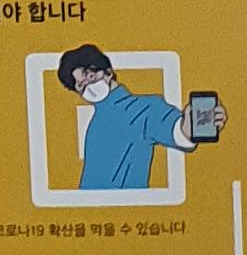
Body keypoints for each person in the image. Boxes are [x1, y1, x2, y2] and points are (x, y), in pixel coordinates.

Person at [56, 44, 211, 189]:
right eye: (81, 86)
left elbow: (177, 131)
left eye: (90, 76)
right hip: (92, 206)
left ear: (108, 72)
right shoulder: (96, 123)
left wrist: (195, 125)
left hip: (127, 206)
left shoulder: (145, 109)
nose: (89, 87)